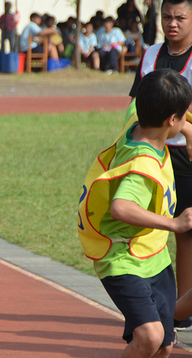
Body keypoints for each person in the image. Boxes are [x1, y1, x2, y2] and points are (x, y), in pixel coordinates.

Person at [78, 68, 192, 358]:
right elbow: (121, 207)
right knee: (150, 337)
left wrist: (188, 131)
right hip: (123, 260)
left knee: (165, 345)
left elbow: (153, 92)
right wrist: (174, 223)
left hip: (152, 255)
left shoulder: (137, 117)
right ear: (171, 120)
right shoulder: (143, 166)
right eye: (184, 115)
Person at [128, 0, 192, 329]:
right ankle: (151, 308)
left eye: (180, 18)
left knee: (186, 234)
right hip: (153, 156)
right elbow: (139, 105)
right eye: (166, 17)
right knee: (149, 233)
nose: (172, 24)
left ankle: (182, 313)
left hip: (187, 161)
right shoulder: (151, 54)